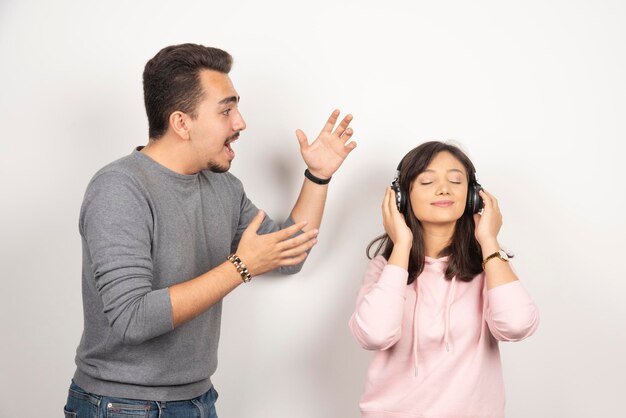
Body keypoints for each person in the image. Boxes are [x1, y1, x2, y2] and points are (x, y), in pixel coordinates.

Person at [64, 43, 356, 417]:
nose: (240, 122)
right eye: (226, 110)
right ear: (182, 123)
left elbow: (288, 255)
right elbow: (131, 319)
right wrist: (241, 266)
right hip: (122, 405)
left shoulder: (224, 188)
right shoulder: (120, 188)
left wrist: (318, 176)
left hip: (197, 400)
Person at [349, 141, 539, 418]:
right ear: (401, 197)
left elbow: (517, 326)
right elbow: (375, 335)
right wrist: (401, 245)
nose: (443, 189)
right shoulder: (384, 270)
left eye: (455, 180)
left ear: (474, 196)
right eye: (426, 181)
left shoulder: (490, 268)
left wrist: (488, 240)